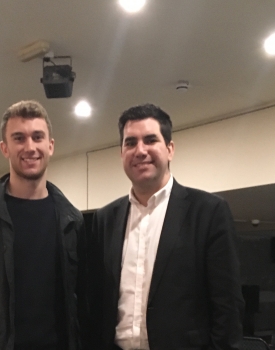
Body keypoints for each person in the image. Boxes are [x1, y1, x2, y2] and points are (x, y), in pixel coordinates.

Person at [88, 103, 244, 350]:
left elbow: (228, 305)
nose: (140, 151)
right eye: (130, 143)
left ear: (170, 149)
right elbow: (95, 301)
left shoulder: (208, 211)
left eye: (150, 140)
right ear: (121, 153)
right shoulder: (105, 219)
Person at [0, 100, 86, 350]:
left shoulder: (72, 220)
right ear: (5, 148)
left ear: (50, 145)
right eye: (19, 138)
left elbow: (81, 302)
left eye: (37, 137)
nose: (30, 147)